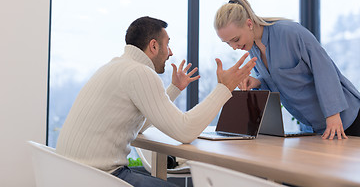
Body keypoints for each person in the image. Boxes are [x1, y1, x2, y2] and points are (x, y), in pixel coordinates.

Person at [56, 16, 257, 187]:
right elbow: (185, 131)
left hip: (69, 174)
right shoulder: (139, 72)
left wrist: (174, 89)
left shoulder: (115, 66)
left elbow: (138, 124)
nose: (170, 52)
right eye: (167, 44)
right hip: (99, 178)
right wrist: (224, 88)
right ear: (153, 45)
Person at [214, 0, 360, 140]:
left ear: (249, 24)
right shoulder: (252, 49)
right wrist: (257, 81)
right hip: (316, 128)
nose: (234, 47)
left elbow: (324, 69)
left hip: (346, 119)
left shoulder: (290, 32)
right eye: (228, 43)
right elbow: (277, 81)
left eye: (236, 40)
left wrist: (333, 114)